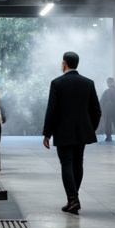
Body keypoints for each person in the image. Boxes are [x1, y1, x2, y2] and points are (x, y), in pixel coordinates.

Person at [42, 51, 101, 215]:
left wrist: (47, 132)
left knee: (66, 163)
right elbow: (96, 110)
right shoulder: (88, 83)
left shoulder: (57, 83)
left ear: (64, 63)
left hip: (63, 131)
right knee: (78, 163)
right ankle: (73, 198)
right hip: (82, 131)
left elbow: (51, 109)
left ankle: (73, 199)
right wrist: (90, 128)